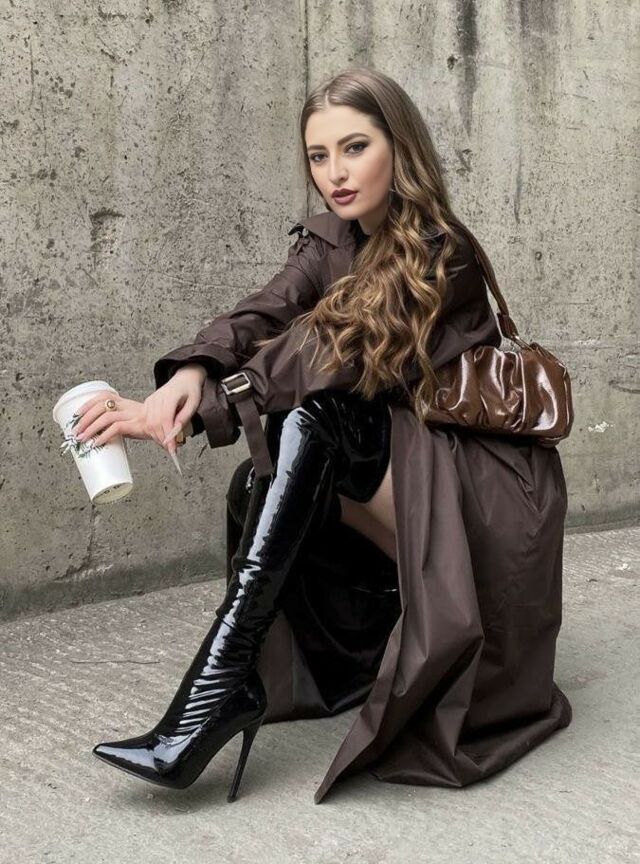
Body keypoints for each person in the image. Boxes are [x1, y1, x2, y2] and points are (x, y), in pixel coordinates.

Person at [76, 67, 572, 803]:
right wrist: (192, 370)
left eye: (354, 147)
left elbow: (332, 345)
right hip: (411, 473)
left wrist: (204, 406)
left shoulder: (442, 253)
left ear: (399, 147)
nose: (335, 173)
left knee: (314, 418)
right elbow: (266, 311)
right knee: (264, 476)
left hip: (481, 492)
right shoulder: (331, 239)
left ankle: (216, 688)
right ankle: (252, 680)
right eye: (318, 155)